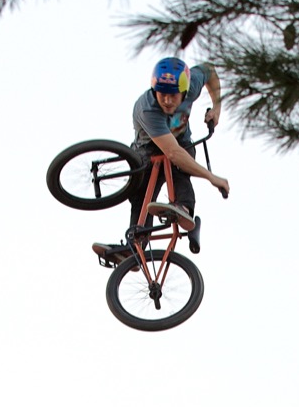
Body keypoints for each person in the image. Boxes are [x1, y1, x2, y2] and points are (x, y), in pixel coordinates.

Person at [93, 57, 231, 266]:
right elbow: (172, 152)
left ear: (184, 92)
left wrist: (216, 108)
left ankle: (184, 208)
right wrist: (212, 177)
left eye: (172, 96)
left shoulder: (191, 84)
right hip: (147, 149)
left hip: (181, 142)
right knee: (141, 194)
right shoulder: (147, 109)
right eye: (162, 95)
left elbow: (210, 71)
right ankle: (135, 246)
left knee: (180, 168)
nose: (167, 101)